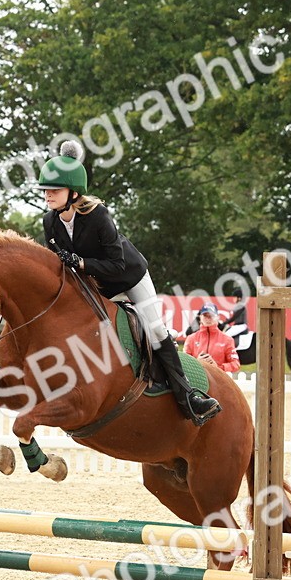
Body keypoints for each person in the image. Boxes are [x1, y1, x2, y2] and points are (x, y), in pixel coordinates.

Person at [38, 140, 220, 426]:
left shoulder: (97, 215)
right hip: (96, 287)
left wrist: (81, 262)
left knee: (155, 329)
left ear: (73, 193)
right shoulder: (50, 222)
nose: (48, 195)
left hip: (128, 277)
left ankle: (189, 397)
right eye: (46, 190)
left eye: (54, 190)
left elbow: (117, 264)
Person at [184, 303, 241, 374]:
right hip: (197, 381)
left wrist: (218, 367)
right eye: (205, 316)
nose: (208, 319)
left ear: (217, 317)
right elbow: (184, 364)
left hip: (219, 382)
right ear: (200, 317)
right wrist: (197, 362)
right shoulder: (191, 339)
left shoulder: (227, 340)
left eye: (211, 316)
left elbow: (236, 364)